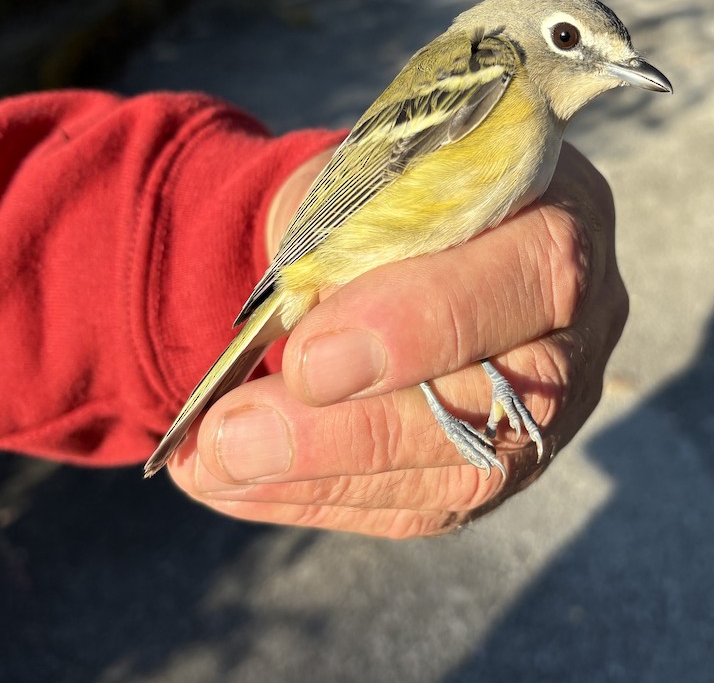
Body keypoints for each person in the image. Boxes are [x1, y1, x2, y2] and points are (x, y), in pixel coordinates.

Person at [0, 89, 628, 538]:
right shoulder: (490, 74)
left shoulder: (514, 107)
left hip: (306, 243)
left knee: (409, 322)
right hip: (333, 240)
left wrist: (253, 222)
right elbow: (364, 177)